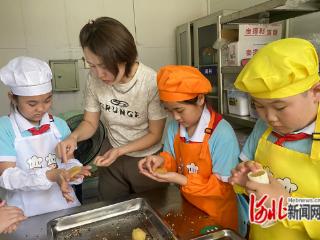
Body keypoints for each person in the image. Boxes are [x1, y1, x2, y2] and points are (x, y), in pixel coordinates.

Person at [56, 17, 167, 202]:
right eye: (92, 65)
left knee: (153, 209)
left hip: (147, 158)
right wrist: (73, 137)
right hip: (111, 156)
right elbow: (90, 122)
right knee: (111, 208)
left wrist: (121, 150)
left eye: (104, 66)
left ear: (125, 57)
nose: (99, 74)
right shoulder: (94, 79)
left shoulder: (150, 82)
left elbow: (155, 134)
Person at [138, 65, 248, 235]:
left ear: (200, 99)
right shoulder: (175, 127)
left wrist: (181, 179)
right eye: (169, 110)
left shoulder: (221, 133)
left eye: (179, 110)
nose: (175, 117)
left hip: (218, 215)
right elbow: (171, 159)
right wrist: (160, 161)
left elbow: (223, 187)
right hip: (190, 208)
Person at [229, 38, 320, 239]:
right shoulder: (264, 128)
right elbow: (251, 184)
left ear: (316, 92)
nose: (269, 117)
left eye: (280, 107)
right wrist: (246, 182)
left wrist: (288, 206)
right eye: (259, 106)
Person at [0, 56, 91, 217]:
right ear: (13, 98)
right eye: (32, 104)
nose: (41, 109)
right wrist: (49, 176)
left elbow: (67, 160)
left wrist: (72, 171)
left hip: (65, 206)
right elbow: (7, 178)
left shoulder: (59, 124)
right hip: (23, 214)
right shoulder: (4, 128)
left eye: (47, 100)